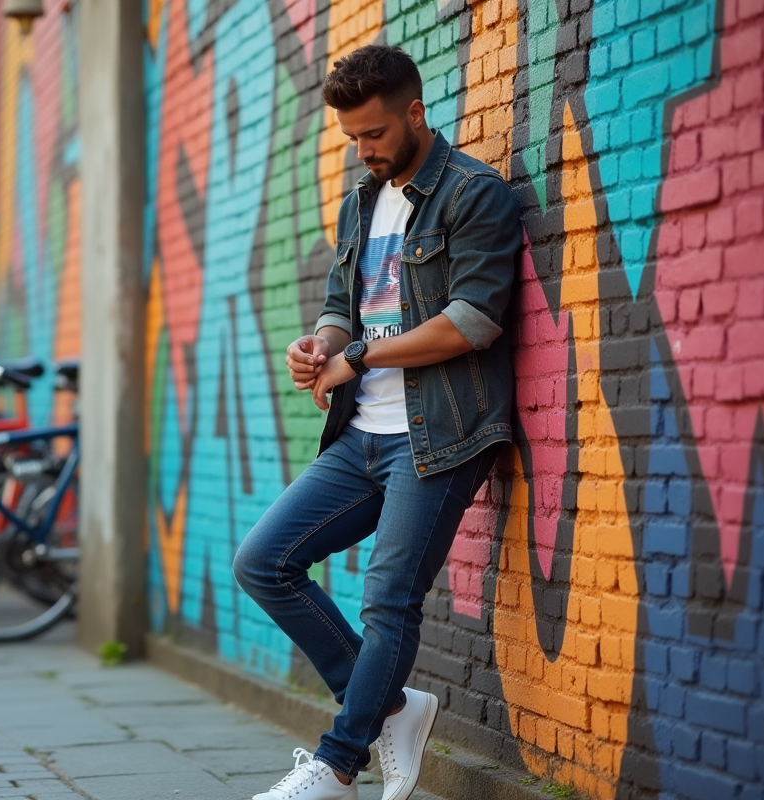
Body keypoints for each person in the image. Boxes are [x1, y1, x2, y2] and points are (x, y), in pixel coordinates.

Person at [232, 45, 523, 800]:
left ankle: (336, 765)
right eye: (353, 138)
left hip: (440, 434)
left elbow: (472, 321)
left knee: (387, 600)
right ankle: (393, 707)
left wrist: (356, 355)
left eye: (374, 134)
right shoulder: (361, 200)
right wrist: (319, 345)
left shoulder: (473, 193)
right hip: (363, 435)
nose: (364, 151)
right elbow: (341, 306)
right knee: (263, 561)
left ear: (416, 113)